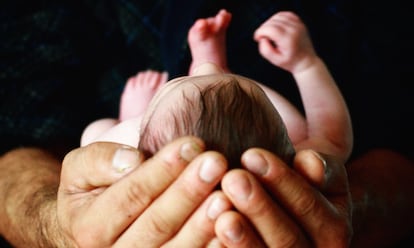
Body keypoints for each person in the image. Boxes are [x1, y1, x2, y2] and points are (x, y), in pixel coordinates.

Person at [1, 1, 413, 247]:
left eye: (189, 74)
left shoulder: (136, 146)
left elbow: (94, 146)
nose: (206, 66)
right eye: (224, 73)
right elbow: (335, 133)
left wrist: (125, 119)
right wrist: (306, 66)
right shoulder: (302, 155)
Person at [80, 10, 352, 170]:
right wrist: (306, 64)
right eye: (217, 72)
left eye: (186, 79)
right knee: (211, 100)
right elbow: (333, 139)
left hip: (146, 152)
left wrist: (131, 117)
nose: (205, 68)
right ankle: (216, 74)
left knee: (101, 134)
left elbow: (92, 140)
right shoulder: (292, 164)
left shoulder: (137, 152)